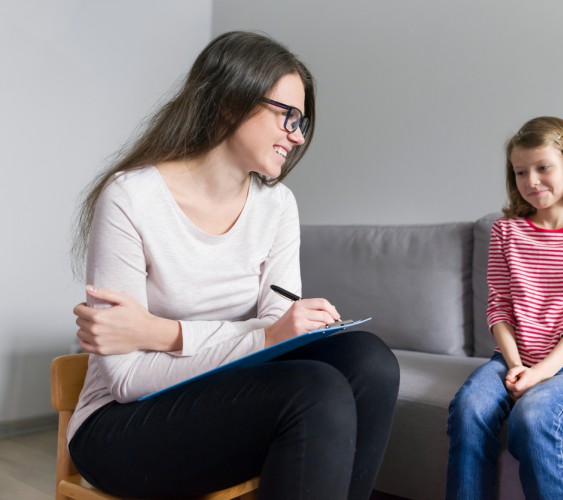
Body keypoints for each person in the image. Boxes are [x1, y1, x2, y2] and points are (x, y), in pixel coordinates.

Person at [69, 31, 399, 500]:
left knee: (370, 361)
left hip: (224, 397)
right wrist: (260, 337)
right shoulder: (131, 198)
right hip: (121, 425)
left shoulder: (278, 205)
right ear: (229, 102)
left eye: (302, 122)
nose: (298, 135)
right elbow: (125, 379)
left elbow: (277, 331)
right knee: (314, 390)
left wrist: (163, 334)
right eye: (287, 115)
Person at [446, 116, 563, 499]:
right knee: (469, 408)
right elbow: (499, 308)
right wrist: (515, 366)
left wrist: (541, 372)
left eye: (544, 168)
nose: (532, 181)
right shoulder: (505, 231)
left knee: (534, 416)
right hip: (511, 360)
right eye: (521, 172)